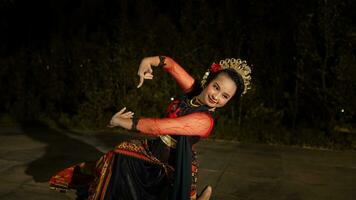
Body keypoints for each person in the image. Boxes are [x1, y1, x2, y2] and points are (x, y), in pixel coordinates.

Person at [49, 56, 252, 200]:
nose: (216, 96)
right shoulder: (194, 90)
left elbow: (158, 126)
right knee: (116, 156)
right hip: (153, 150)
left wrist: (122, 122)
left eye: (225, 96)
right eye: (216, 87)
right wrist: (147, 61)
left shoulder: (204, 121)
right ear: (209, 81)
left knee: (119, 159)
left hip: (170, 164)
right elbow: (170, 65)